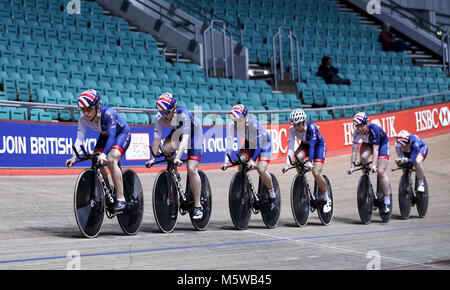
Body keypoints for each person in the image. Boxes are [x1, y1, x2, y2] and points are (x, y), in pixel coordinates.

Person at [66, 89, 131, 213]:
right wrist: (74, 156)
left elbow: (112, 136)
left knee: (111, 159)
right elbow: (80, 138)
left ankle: (121, 198)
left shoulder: (108, 113)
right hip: (105, 135)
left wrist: (104, 154)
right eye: (83, 109)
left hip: (121, 134)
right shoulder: (82, 118)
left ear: (97, 107)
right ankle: (108, 190)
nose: (85, 113)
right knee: (96, 160)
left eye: (89, 109)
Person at [145, 92, 204, 220]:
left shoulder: (183, 115)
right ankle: (174, 172)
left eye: (167, 112)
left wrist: (178, 157)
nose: (164, 116)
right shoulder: (159, 117)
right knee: (166, 148)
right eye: (162, 112)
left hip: (194, 136)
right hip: (178, 132)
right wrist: (153, 157)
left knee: (191, 169)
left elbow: (185, 139)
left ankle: (198, 206)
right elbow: (156, 139)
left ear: (174, 109)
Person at [221, 104, 277, 208]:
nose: (235, 123)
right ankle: (245, 192)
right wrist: (225, 162)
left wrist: (252, 161)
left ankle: (272, 194)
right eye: (233, 120)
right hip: (250, 144)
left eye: (237, 120)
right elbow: (229, 145)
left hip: (264, 144)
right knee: (241, 164)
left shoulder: (253, 125)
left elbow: (259, 146)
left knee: (261, 169)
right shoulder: (232, 126)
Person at [282, 109, 331, 213]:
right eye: (294, 125)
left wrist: (309, 162)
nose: (296, 128)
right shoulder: (292, 130)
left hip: (318, 146)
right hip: (306, 144)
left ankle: (326, 197)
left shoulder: (311, 128)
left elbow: (312, 146)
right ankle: (303, 182)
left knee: (316, 172)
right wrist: (287, 163)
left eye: (298, 125)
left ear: (304, 122)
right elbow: (291, 148)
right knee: (297, 158)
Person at [347, 112, 392, 213]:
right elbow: (354, 151)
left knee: (380, 171)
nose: (358, 129)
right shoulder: (356, 132)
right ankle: (367, 182)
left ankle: (387, 199)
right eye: (356, 127)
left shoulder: (374, 128)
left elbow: (376, 150)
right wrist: (352, 166)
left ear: (366, 124)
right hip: (369, 144)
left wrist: (374, 165)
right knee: (363, 156)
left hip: (382, 144)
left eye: (360, 126)